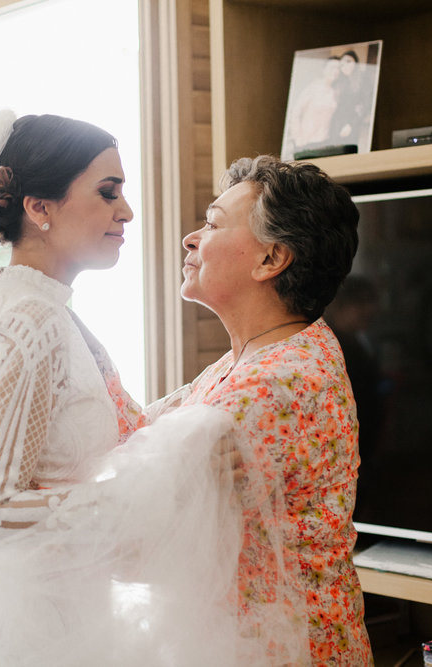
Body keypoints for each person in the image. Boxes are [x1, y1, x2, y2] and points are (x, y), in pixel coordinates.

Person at [0, 112, 282, 666]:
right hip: (41, 633)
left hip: (53, 610)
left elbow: (118, 417)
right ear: (39, 209)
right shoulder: (31, 323)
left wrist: (223, 383)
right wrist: (161, 483)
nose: (127, 211)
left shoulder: (27, 310)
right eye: (107, 192)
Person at [170, 155, 374, 665]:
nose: (190, 239)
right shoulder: (261, 353)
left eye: (213, 223)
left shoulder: (278, 383)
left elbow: (143, 522)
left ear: (270, 260)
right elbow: (142, 431)